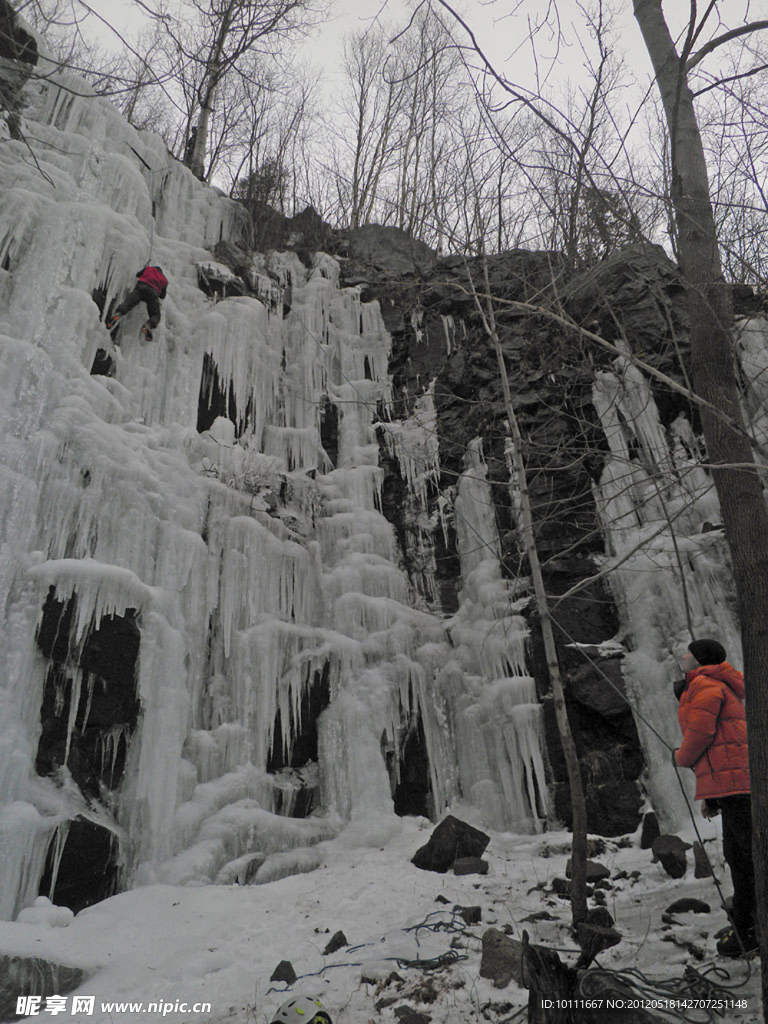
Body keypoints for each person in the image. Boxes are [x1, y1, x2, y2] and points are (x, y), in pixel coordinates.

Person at [673, 638, 756, 957]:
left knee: (745, 857)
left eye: (688, 654)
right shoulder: (713, 684)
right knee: (739, 856)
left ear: (700, 660)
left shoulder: (706, 685)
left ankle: (751, 930)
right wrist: (713, 797)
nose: (683, 657)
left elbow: (702, 732)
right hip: (732, 784)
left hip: (734, 783)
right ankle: (747, 926)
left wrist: (681, 757)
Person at [106, 265, 168, 339]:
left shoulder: (149, 268)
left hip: (141, 288)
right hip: (153, 294)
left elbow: (138, 274)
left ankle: (118, 313)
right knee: (156, 315)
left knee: (128, 304)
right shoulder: (164, 280)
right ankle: (148, 325)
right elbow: (162, 296)